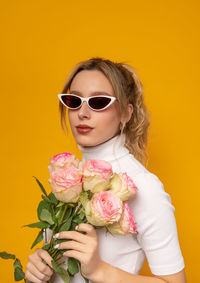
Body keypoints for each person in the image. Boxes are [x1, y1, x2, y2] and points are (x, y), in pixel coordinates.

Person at [25, 57, 187, 283]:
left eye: (98, 102)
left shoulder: (143, 186)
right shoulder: (68, 179)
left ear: (126, 113)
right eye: (74, 100)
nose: (82, 112)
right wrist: (40, 272)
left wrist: (100, 271)